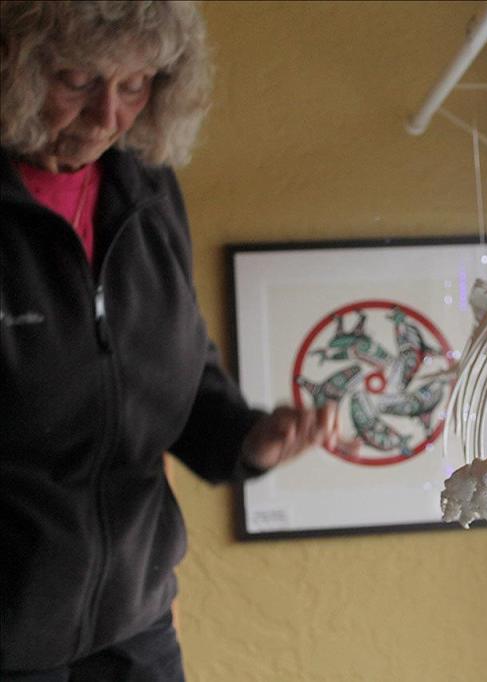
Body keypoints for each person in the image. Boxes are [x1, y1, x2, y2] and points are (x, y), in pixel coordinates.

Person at [0, 2, 339, 679]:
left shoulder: (146, 191)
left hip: (134, 624)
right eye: (78, 80)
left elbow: (172, 368)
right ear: (16, 68)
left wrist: (249, 437)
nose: (108, 116)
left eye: (135, 85)